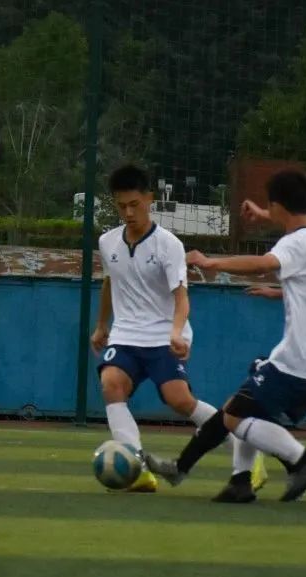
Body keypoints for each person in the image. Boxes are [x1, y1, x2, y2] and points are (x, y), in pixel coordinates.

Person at [143, 169, 306, 503]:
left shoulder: (296, 242)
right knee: (240, 403)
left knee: (235, 416)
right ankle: (236, 481)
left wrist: (212, 263)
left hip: (298, 359)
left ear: (278, 205)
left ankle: (304, 460)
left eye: (270, 206)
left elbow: (263, 263)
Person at [90, 165, 223, 493]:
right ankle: (137, 470)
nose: (128, 212)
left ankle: (244, 450)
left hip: (164, 332)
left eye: (134, 204)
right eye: (121, 206)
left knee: (179, 400)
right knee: (111, 384)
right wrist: (102, 325)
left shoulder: (169, 244)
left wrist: (177, 332)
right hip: (126, 333)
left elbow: (181, 296)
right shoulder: (107, 242)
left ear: (149, 199)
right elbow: (109, 283)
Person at [232, 197, 306, 500]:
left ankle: (299, 463)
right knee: (250, 402)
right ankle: (254, 476)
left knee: (239, 411)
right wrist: (278, 293)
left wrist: (209, 262)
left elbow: (271, 266)